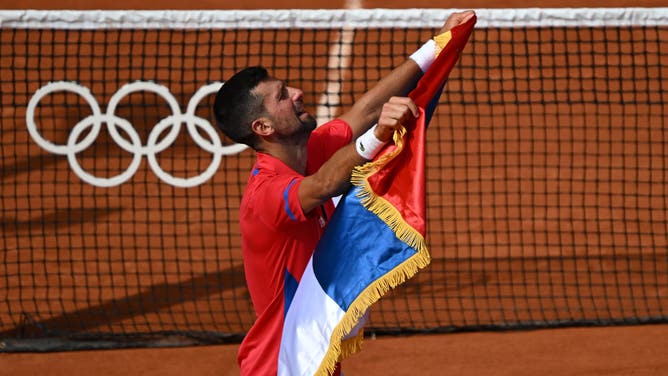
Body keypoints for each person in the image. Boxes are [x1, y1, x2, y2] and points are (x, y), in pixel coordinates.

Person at [213, 9, 475, 376]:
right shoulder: (265, 195)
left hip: (317, 358)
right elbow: (322, 186)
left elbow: (366, 109)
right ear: (263, 126)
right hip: (281, 366)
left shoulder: (313, 148)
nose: (298, 93)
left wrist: (436, 46)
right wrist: (379, 137)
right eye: (283, 96)